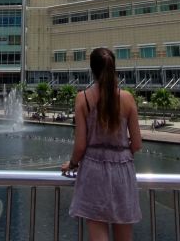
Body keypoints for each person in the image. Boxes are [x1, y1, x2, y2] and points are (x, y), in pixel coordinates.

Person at [61, 47, 142, 240]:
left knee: (97, 231)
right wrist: (121, 155)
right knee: (124, 233)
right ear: (114, 68)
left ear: (92, 70)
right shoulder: (127, 98)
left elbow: (80, 146)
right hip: (123, 170)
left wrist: (72, 164)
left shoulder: (83, 98)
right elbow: (137, 143)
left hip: (93, 169)